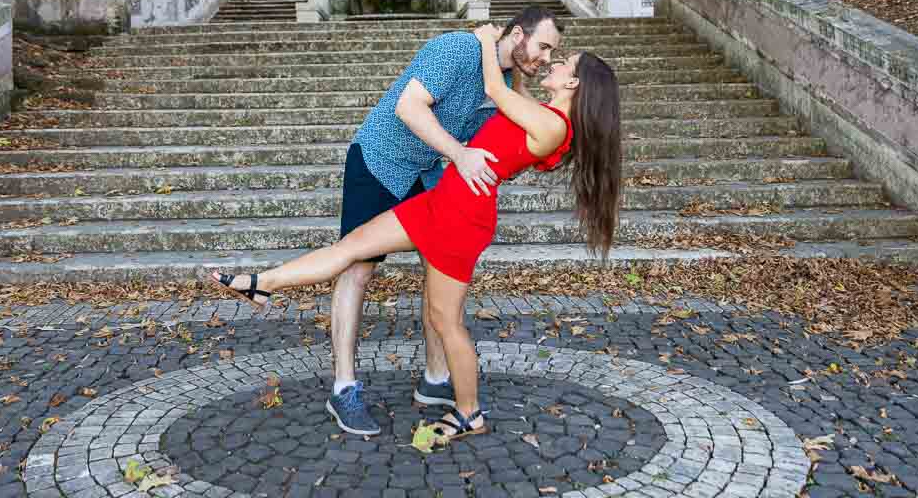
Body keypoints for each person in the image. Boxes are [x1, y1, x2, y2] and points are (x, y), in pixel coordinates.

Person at [212, 22, 622, 441]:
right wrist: (504, 58)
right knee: (353, 247)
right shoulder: (546, 116)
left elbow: (499, 95)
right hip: (439, 200)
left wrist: (484, 42)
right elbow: (511, 96)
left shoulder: (553, 126)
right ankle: (261, 283)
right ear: (520, 35)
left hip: (461, 215)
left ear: (573, 81)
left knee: (447, 320)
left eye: (561, 60)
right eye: (548, 50)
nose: (551, 61)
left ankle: (468, 412)